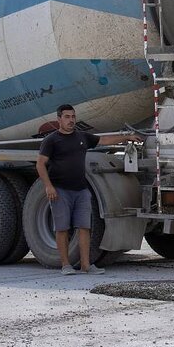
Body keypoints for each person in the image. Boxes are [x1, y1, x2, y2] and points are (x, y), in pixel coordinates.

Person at [36, 104, 142, 275]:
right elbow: (40, 164)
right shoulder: (51, 140)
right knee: (62, 228)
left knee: (84, 227)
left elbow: (104, 140)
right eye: (67, 117)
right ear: (59, 119)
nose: (71, 120)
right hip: (60, 190)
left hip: (81, 191)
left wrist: (126, 137)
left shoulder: (82, 137)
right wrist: (48, 186)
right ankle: (66, 265)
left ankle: (86, 265)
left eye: (73, 117)